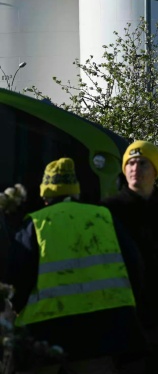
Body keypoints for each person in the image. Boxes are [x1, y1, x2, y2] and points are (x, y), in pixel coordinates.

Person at [8, 158, 145, 373]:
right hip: (104, 333)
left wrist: (17, 307)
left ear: (45, 196)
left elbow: (17, 276)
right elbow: (134, 265)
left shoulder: (35, 223)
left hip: (46, 334)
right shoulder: (104, 217)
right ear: (76, 191)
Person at [102, 141, 158, 374]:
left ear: (155, 170)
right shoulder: (109, 210)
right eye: (130, 163)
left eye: (142, 163)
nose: (135, 169)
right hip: (125, 313)